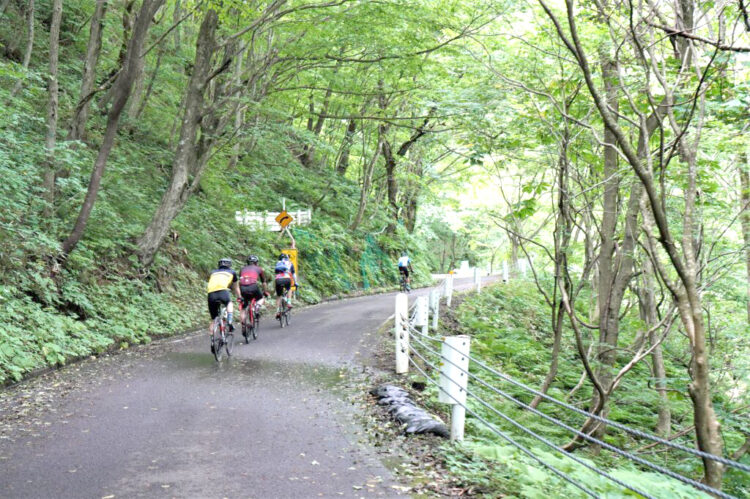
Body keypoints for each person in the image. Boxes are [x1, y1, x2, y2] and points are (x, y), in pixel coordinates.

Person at [206, 258, 241, 335]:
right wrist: (239, 297)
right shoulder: (232, 272)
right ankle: (230, 321)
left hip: (211, 294)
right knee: (229, 303)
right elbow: (236, 287)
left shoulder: (213, 272)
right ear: (229, 265)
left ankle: (212, 340)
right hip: (223, 292)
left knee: (213, 319)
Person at [238, 255, 269, 324]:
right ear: (256, 262)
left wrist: (239, 294)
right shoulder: (259, 269)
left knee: (243, 307)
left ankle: (243, 325)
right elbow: (263, 282)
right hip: (253, 286)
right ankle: (256, 308)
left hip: (243, 287)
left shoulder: (242, 269)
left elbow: (240, 281)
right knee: (261, 298)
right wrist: (265, 291)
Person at [274, 253, 296, 318]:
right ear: (287, 258)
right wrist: (295, 282)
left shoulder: (278, 263)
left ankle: (277, 311)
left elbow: (276, 273)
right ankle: (289, 302)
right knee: (289, 289)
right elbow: (294, 275)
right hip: (287, 279)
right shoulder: (290, 263)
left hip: (278, 280)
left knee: (279, 296)